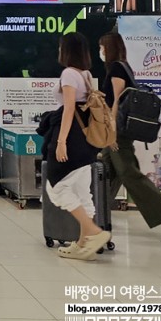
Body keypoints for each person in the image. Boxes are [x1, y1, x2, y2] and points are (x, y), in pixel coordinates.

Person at [98, 33, 161, 242]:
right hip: (117, 132)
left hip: (118, 133)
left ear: (108, 48)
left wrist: (112, 134)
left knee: (129, 174)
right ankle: (96, 218)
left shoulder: (117, 68)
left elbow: (117, 102)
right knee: (107, 174)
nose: (99, 51)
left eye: (101, 47)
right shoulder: (122, 67)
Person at [46, 32, 110, 260]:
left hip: (71, 138)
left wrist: (61, 142)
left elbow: (69, 109)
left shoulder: (68, 74)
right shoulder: (85, 74)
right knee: (83, 190)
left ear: (66, 50)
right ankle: (84, 244)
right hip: (86, 141)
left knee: (57, 188)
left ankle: (92, 231)